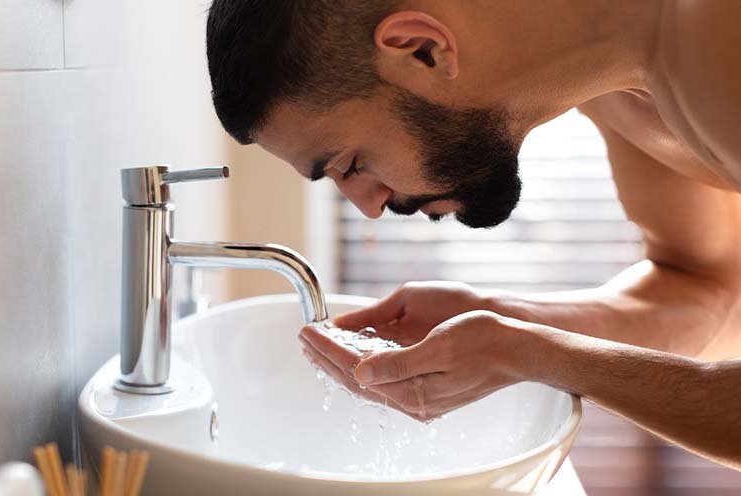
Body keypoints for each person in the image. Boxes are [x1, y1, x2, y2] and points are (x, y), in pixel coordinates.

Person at [205, 0, 741, 468]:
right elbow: (707, 285)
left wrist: (533, 356)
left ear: (422, 49)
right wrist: (508, 322)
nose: (368, 206)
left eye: (350, 164)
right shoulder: (617, 77)